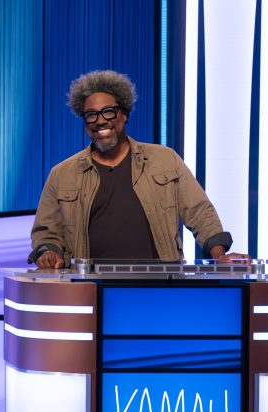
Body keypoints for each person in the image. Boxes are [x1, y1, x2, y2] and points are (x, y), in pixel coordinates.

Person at [29, 70, 248, 269]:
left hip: (158, 283)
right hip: (90, 288)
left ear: (124, 114)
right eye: (91, 115)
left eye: (108, 112)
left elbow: (200, 213)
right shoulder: (62, 174)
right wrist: (48, 252)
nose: (100, 121)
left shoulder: (165, 159)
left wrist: (220, 256)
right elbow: (46, 233)